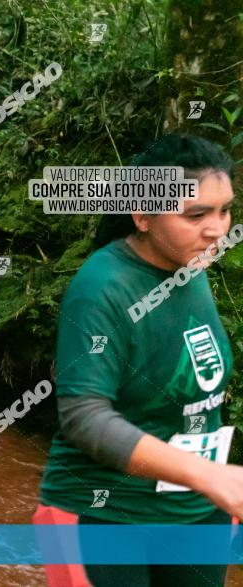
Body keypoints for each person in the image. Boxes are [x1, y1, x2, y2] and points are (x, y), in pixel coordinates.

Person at [37, 134, 240, 586]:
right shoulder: (102, 288)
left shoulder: (191, 267)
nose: (217, 228)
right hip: (103, 516)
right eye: (196, 214)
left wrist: (212, 483)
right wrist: (208, 474)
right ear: (143, 216)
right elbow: (83, 417)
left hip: (195, 511)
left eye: (224, 209)